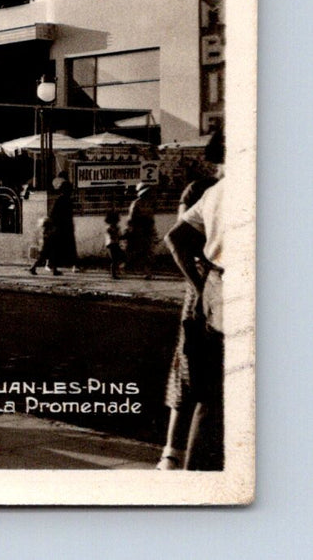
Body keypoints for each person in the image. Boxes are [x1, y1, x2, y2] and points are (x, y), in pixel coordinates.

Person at [159, 128, 226, 471]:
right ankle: (174, 454)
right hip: (207, 285)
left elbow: (177, 234)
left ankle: (177, 458)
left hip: (206, 285)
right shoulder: (206, 190)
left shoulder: (205, 190)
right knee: (193, 376)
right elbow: (179, 232)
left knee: (198, 379)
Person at [125, 180, 158, 278]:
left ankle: (147, 272)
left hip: (147, 230)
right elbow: (131, 218)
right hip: (138, 230)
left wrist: (153, 230)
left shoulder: (151, 203)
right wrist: (130, 230)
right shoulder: (136, 204)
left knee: (148, 251)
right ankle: (128, 267)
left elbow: (151, 217)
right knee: (136, 251)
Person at [104, 203, 125, 279]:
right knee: (114, 260)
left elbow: (119, 236)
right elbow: (113, 236)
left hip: (114, 244)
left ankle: (116, 272)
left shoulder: (115, 227)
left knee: (118, 258)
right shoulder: (110, 228)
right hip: (111, 245)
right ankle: (114, 274)